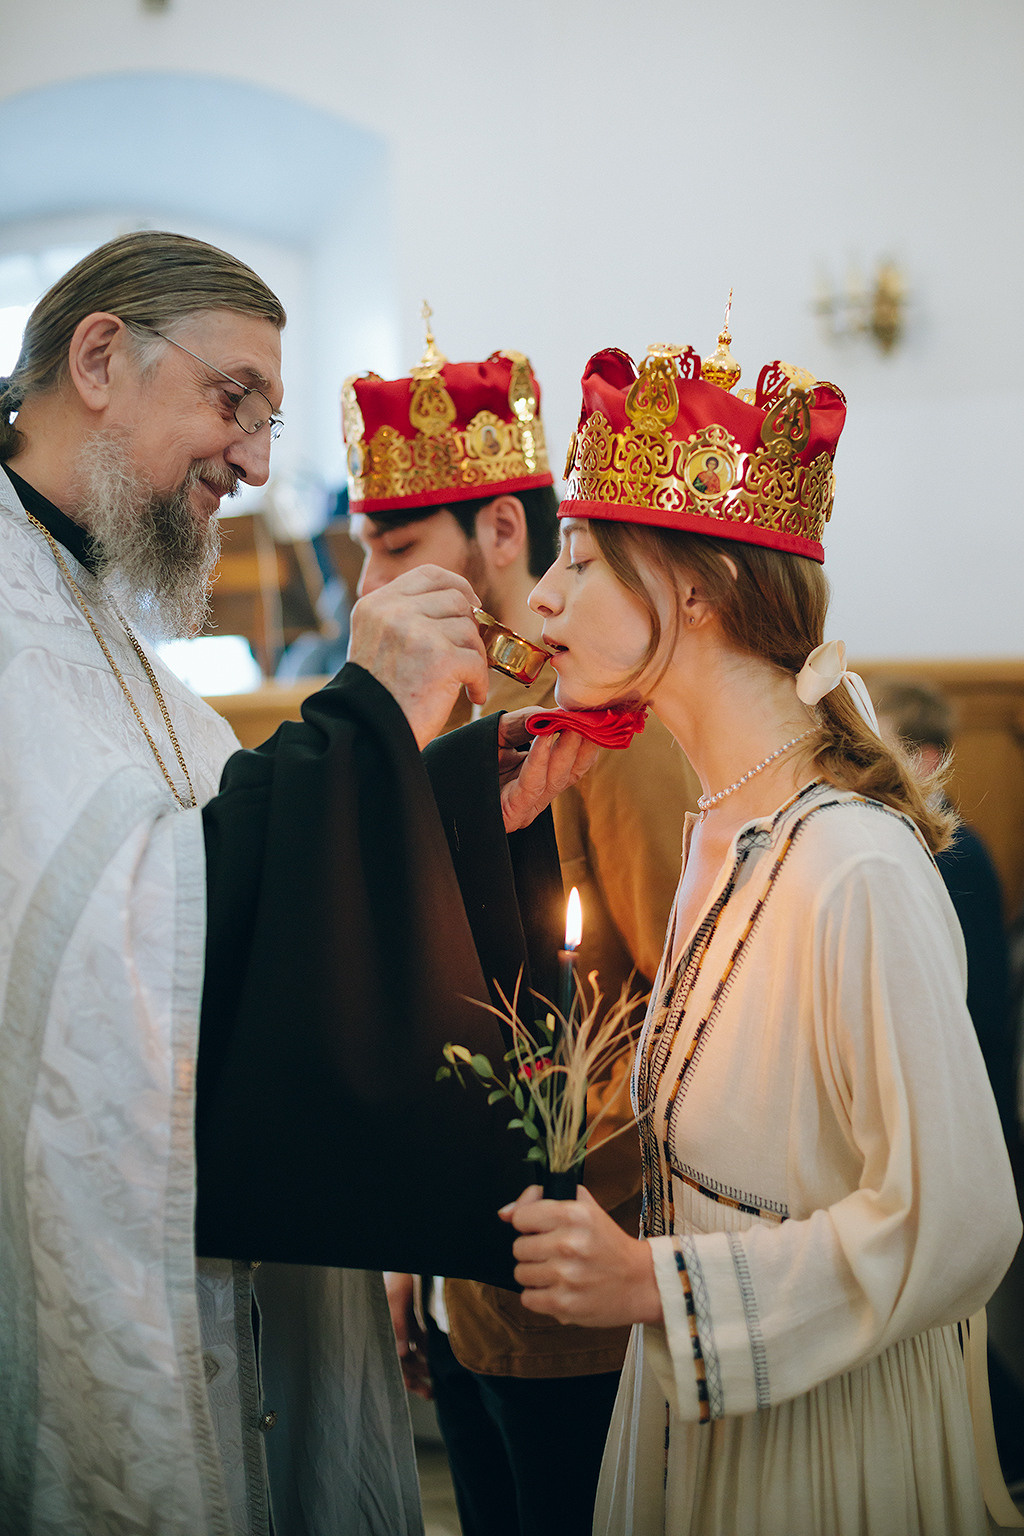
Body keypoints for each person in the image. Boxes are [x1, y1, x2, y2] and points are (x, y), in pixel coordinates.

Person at [0, 231, 594, 1535]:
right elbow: (121, 945)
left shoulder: (97, 625)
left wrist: (438, 798)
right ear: (100, 358)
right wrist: (368, 711)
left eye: (269, 418)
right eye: (236, 401)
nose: (262, 462)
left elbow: (225, 879)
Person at [503, 335, 1022, 1534]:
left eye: (579, 560)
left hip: (824, 1444)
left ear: (696, 587)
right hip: (701, 1403)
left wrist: (651, 1282)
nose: (539, 598)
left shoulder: (852, 864)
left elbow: (961, 1220)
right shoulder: (714, 829)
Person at [344, 331, 700, 1536]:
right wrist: (414, 1240)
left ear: (503, 530)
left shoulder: (612, 734)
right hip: (459, 1281)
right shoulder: (441, 714)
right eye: (363, 552)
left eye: (396, 550)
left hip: (576, 1289)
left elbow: (684, 1016)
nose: (365, 589)